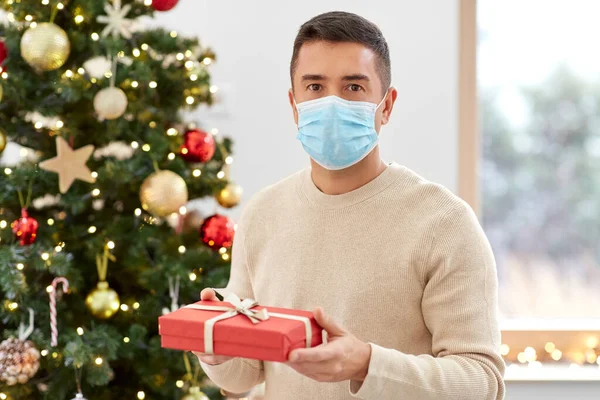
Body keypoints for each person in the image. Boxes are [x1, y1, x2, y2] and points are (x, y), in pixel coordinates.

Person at [195, 11, 505, 400]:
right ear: (294, 105)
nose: (331, 104)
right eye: (315, 87)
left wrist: (367, 365)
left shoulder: (443, 223)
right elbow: (243, 377)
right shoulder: (263, 214)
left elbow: (482, 382)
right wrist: (217, 346)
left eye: (354, 87)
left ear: (386, 106)